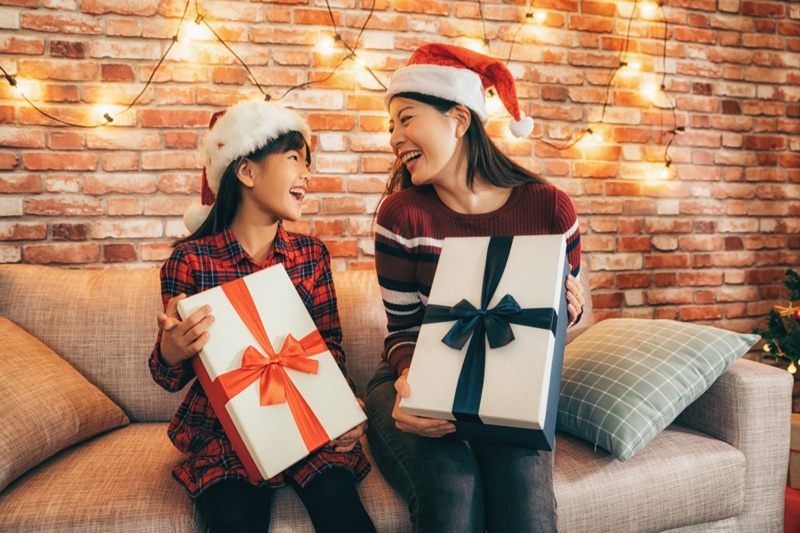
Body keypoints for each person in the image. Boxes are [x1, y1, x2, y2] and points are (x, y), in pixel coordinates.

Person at [364, 43, 586, 532]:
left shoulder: (551, 210)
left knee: (523, 492)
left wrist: (569, 307)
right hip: (413, 379)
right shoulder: (401, 216)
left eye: (405, 119)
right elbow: (403, 331)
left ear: (459, 119)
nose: (394, 138)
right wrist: (410, 388)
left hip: (509, 390)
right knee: (453, 483)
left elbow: (547, 330)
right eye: (390, 127)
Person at [148, 101, 376, 533]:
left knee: (342, 511)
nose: (306, 175)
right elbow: (168, 376)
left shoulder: (311, 255)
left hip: (308, 418)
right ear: (246, 172)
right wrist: (171, 350)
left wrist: (344, 411)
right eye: (294, 159)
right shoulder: (190, 262)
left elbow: (329, 348)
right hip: (225, 429)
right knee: (233, 519)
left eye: (308, 164)